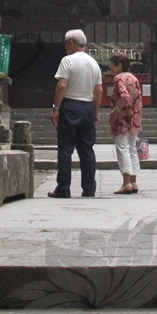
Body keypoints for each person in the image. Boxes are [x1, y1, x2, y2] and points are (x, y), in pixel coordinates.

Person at [48, 28, 102, 198]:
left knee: (65, 149)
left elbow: (62, 86)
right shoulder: (94, 63)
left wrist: (56, 108)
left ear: (70, 43)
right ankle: (89, 188)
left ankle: (63, 187)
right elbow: (99, 90)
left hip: (70, 105)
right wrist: (95, 111)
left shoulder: (67, 60)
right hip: (87, 106)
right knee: (87, 149)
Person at [106, 51, 144, 194]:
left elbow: (125, 97)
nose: (110, 67)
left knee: (122, 149)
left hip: (122, 119)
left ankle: (125, 182)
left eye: (112, 64)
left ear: (119, 65)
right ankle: (133, 182)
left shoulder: (118, 78)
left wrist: (115, 111)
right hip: (134, 117)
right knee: (132, 149)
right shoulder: (134, 78)